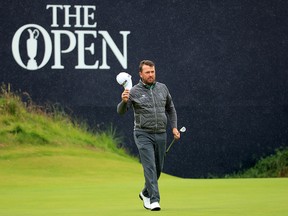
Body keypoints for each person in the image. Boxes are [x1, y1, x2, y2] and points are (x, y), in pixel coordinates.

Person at [117, 60, 180, 211]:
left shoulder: (162, 88)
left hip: (161, 133)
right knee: (150, 167)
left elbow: (170, 109)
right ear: (140, 74)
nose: (151, 75)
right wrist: (124, 101)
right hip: (142, 133)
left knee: (158, 169)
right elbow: (121, 111)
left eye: (152, 72)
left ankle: (145, 193)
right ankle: (154, 200)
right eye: (147, 72)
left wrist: (174, 127)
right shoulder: (133, 91)